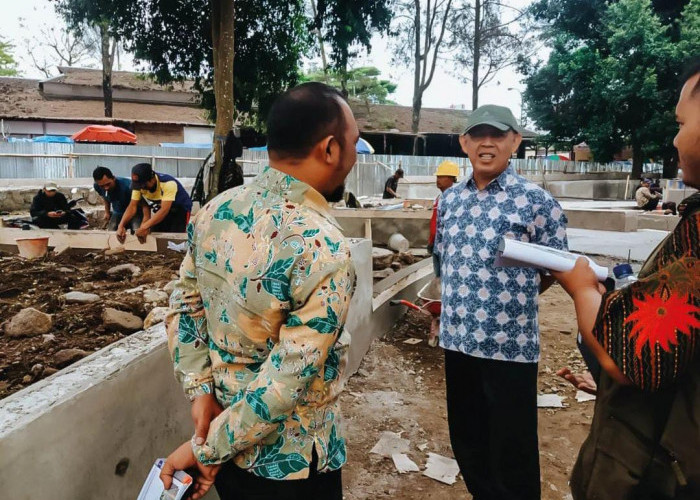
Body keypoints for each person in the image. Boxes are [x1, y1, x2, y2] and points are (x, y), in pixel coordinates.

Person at [160, 82, 359, 500]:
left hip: (226, 448)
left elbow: (184, 305)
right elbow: (289, 379)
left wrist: (200, 396)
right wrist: (206, 448)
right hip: (292, 463)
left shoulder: (216, 211)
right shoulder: (321, 245)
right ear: (330, 149)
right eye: (354, 143)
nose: (354, 156)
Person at [552, 59, 700, 500]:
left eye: (681, 122)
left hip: (663, 472)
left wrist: (580, 289)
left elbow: (631, 360)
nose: (674, 138)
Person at [434, 104, 568, 500]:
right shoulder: (450, 201)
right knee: (468, 442)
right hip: (457, 343)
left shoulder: (536, 202)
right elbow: (445, 259)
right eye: (477, 135)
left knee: (513, 452)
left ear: (515, 141)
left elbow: (555, 269)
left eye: (497, 135)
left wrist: (508, 301)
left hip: (509, 349)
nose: (486, 143)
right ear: (464, 143)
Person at [116, 163, 192, 243]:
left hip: (180, 209)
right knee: (154, 234)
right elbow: (132, 206)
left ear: (152, 179)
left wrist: (144, 226)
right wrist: (121, 226)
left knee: (176, 239)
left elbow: (164, 210)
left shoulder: (168, 184)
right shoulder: (138, 186)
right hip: (161, 207)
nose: (141, 188)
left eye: (143, 185)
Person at [427, 160, 460, 278]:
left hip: (446, 247)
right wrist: (431, 240)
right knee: (438, 277)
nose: (438, 179)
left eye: (441, 176)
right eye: (437, 176)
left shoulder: (456, 199)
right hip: (436, 244)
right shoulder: (440, 197)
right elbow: (435, 222)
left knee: (445, 278)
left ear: (452, 178)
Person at [92, 166, 141, 231]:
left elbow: (137, 205)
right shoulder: (97, 186)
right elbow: (105, 197)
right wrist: (107, 212)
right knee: (111, 231)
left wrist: (121, 225)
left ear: (113, 178)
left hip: (134, 212)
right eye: (102, 186)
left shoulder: (128, 186)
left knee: (137, 231)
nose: (106, 188)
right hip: (118, 211)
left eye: (108, 184)